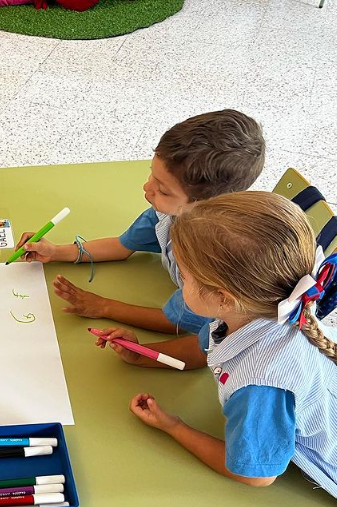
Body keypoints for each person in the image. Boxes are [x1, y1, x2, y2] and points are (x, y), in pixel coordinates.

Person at [98, 192, 337, 504]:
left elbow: (255, 474)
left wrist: (175, 427)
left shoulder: (260, 382)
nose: (180, 282)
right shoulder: (260, 308)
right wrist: (145, 354)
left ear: (222, 297)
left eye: (185, 277)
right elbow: (203, 349)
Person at [15, 110, 265, 339]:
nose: (147, 189)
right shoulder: (168, 215)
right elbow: (122, 246)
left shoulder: (213, 263)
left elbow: (178, 323)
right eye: (151, 175)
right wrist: (57, 251)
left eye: (163, 191)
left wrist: (104, 306)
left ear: (205, 204)